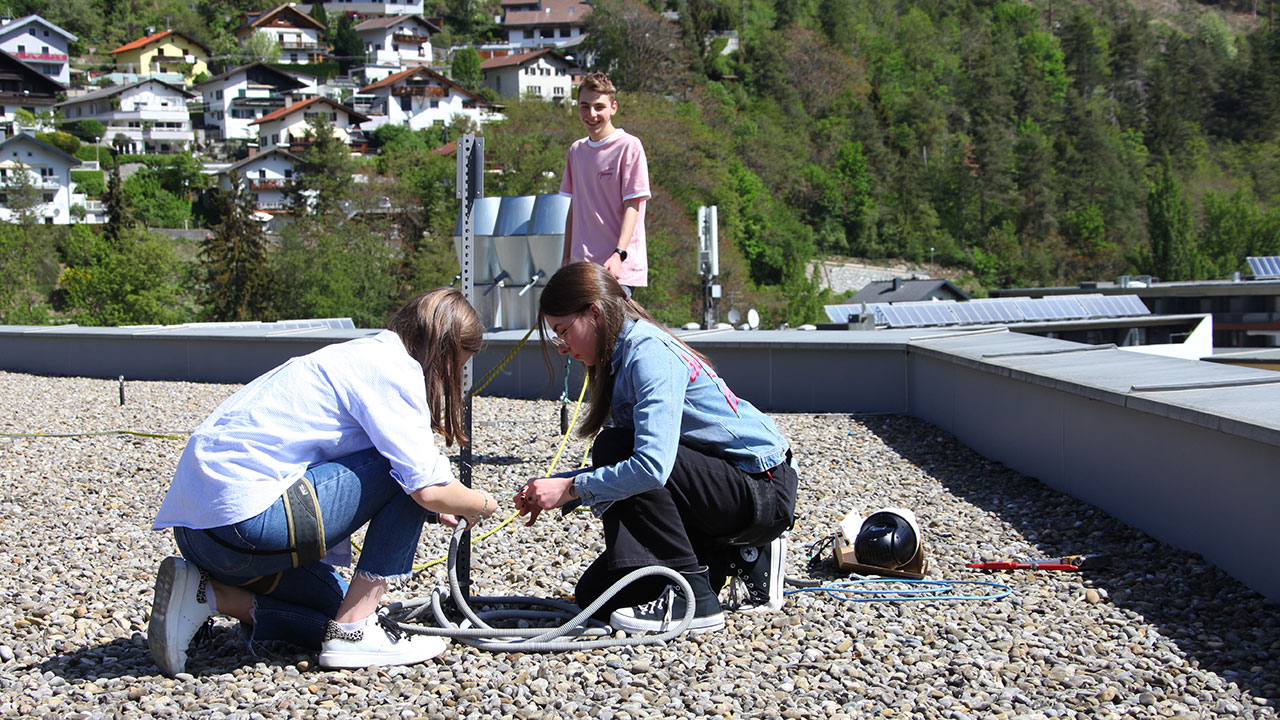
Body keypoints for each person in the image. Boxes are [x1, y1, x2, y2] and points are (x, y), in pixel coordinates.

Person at [147, 288, 499, 676]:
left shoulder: (353, 356)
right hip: (245, 524)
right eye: (457, 367)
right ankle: (354, 631)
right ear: (444, 350)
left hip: (201, 536)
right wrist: (481, 504)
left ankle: (209, 596)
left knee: (334, 606)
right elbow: (424, 484)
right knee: (403, 469)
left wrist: (433, 507)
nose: (454, 378)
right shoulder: (392, 368)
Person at [513, 263, 798, 634]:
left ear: (595, 313)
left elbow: (650, 467)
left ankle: (694, 599)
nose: (563, 347)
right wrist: (557, 487)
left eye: (563, 331)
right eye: (557, 337)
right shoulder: (619, 356)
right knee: (596, 597)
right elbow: (653, 466)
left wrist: (570, 490)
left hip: (761, 493)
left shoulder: (648, 353)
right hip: (717, 492)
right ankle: (733, 555)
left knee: (614, 447)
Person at [559, 72, 650, 294]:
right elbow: (575, 208)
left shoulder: (629, 146)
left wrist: (619, 254)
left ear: (613, 108)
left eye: (599, 107)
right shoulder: (576, 151)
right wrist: (566, 259)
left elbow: (633, 206)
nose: (591, 114)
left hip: (617, 268)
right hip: (583, 267)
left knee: (611, 326)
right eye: (584, 106)